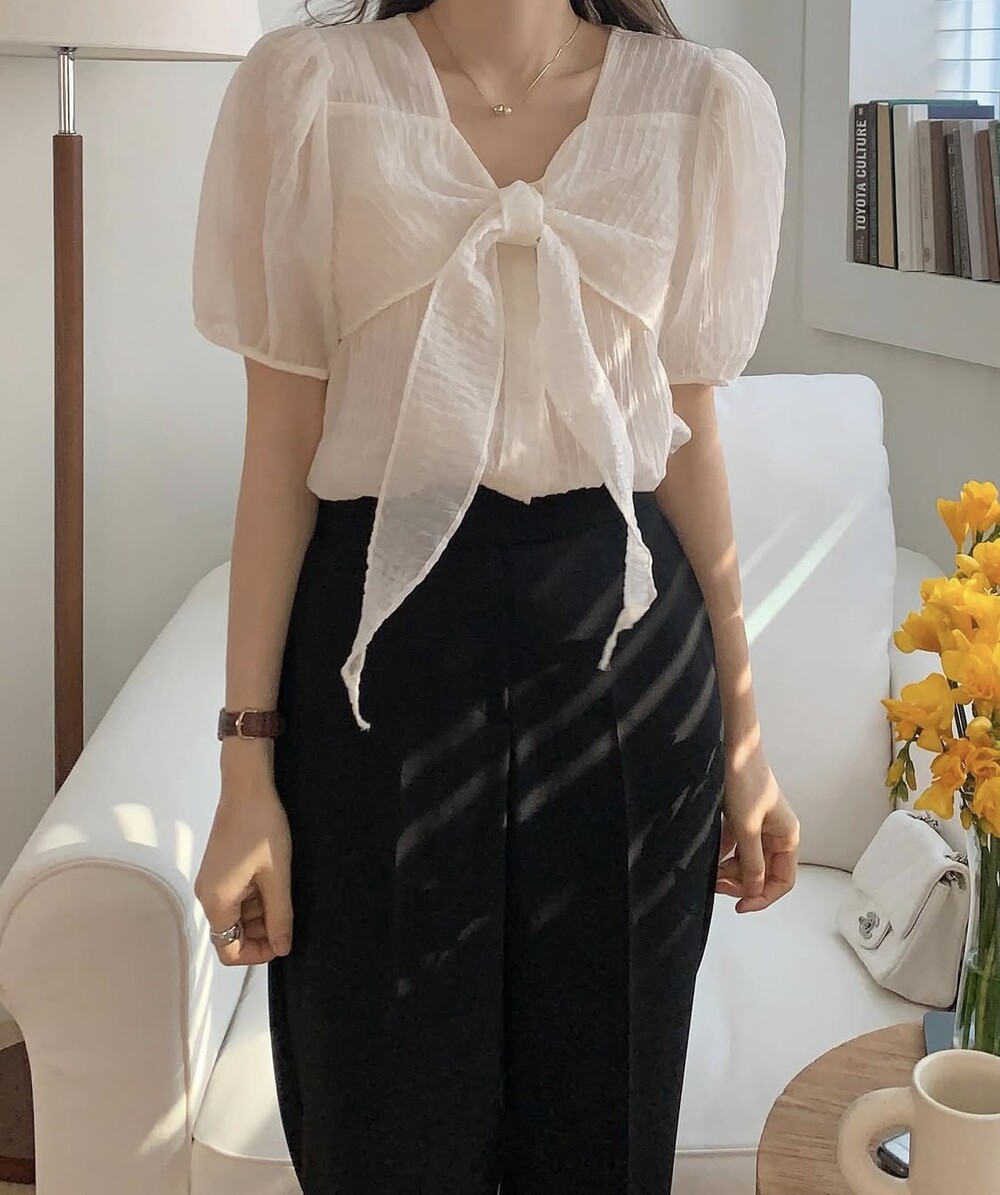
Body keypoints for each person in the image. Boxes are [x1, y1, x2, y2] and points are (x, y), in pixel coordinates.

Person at [191, 1, 798, 1191]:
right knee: (378, 1120)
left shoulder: (699, 108)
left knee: (605, 1122)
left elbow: (688, 440)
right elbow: (279, 450)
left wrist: (746, 736)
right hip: (379, 656)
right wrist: (244, 765)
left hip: (628, 659)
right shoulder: (310, 92)